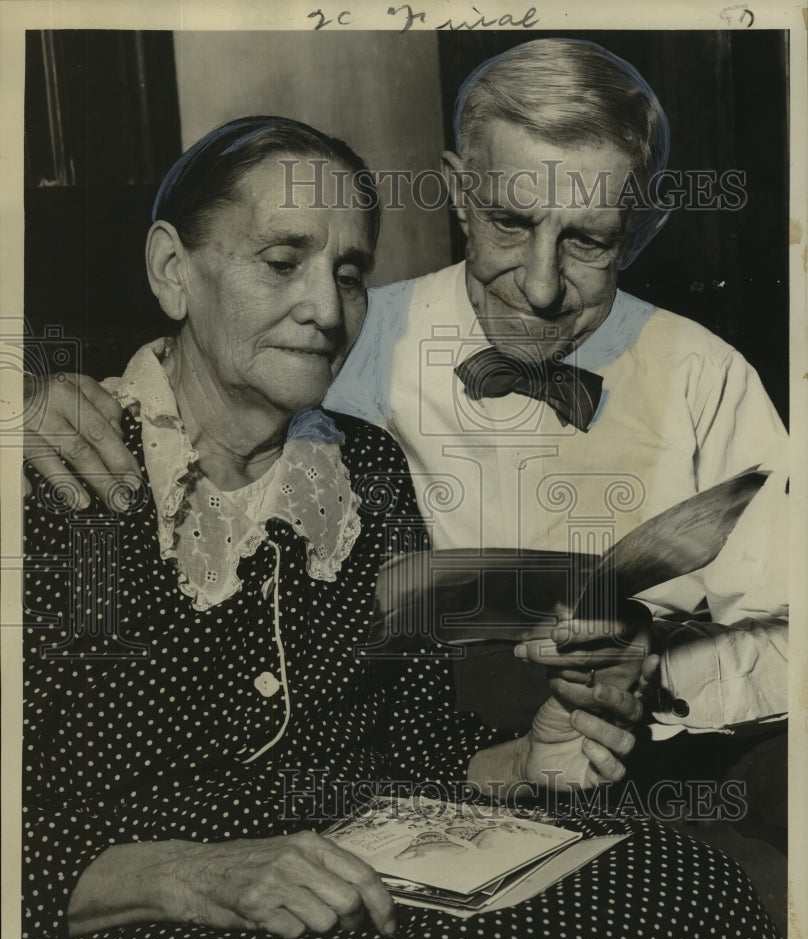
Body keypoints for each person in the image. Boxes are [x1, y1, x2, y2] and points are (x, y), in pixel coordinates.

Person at [21, 115, 785, 939]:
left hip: (358, 871)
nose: (325, 309)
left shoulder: (364, 469)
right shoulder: (55, 473)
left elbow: (412, 748)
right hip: (151, 912)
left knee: (691, 892)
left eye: (349, 274)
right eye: (282, 263)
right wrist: (192, 876)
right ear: (173, 270)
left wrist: (526, 759)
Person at [24, 39, 788, 746]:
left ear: (638, 228)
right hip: (418, 759)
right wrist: (30, 399)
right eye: (509, 223)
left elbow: (793, 638)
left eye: (588, 240)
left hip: (648, 753)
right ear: (458, 192)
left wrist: (658, 669)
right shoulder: (330, 341)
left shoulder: (706, 377)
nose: (543, 284)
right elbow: (183, 388)